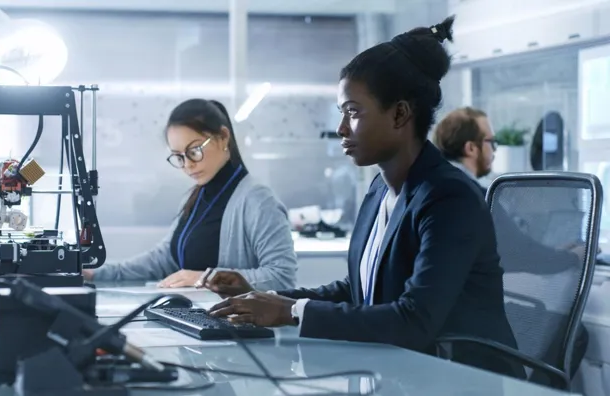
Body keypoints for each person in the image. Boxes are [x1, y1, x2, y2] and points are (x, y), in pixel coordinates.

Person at [203, 16, 524, 378]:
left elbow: (413, 320)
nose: (341, 128)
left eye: (352, 112)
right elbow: (359, 289)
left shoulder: (449, 197)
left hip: (462, 380)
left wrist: (291, 312)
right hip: (402, 373)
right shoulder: (380, 189)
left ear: (400, 113)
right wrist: (270, 298)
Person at [433, 106, 589, 381]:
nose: (494, 150)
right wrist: (573, 257)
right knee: (574, 334)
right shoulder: (471, 195)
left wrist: (555, 252)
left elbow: (511, 248)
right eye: (491, 142)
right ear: (471, 148)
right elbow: (523, 255)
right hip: (468, 328)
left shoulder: (438, 185)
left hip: (448, 322)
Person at [84, 99, 297, 291]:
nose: (187, 165)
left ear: (223, 137)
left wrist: (205, 279)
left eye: (194, 151)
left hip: (235, 328)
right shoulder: (194, 198)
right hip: (197, 318)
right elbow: (164, 260)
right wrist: (95, 273)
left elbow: (282, 277)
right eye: (179, 157)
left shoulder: (258, 201)